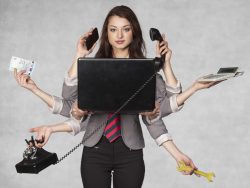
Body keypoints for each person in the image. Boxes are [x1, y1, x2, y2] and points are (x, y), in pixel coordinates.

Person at [14, 5, 219, 188]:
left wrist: (172, 70)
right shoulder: (93, 69)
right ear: (107, 34)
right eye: (113, 29)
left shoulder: (145, 70)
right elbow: (70, 103)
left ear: (133, 33)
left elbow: (160, 111)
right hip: (94, 152)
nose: (119, 34)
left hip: (130, 154)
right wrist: (78, 57)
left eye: (126, 29)